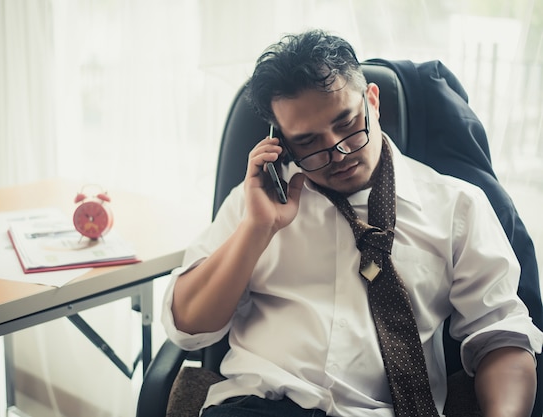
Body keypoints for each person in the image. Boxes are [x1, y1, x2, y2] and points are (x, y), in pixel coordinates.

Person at [161, 29, 543, 417]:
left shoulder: (458, 206)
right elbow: (189, 328)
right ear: (283, 143)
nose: (339, 152)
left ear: (372, 101)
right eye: (308, 142)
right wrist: (257, 229)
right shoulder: (256, 204)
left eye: (346, 123)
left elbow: (501, 338)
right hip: (259, 404)